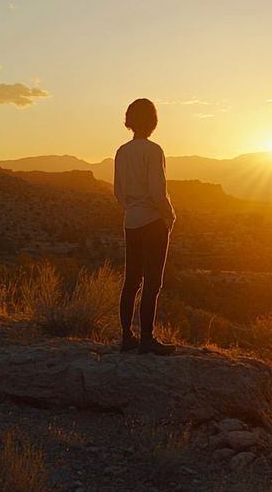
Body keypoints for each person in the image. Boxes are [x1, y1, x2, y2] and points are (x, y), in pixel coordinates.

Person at [113, 98, 176, 355]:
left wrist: (132, 208)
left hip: (131, 221)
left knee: (131, 280)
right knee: (152, 281)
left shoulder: (122, 152)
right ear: (153, 121)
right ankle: (147, 338)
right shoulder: (153, 151)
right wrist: (169, 215)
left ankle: (127, 336)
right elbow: (157, 191)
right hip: (152, 222)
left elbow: (118, 192)